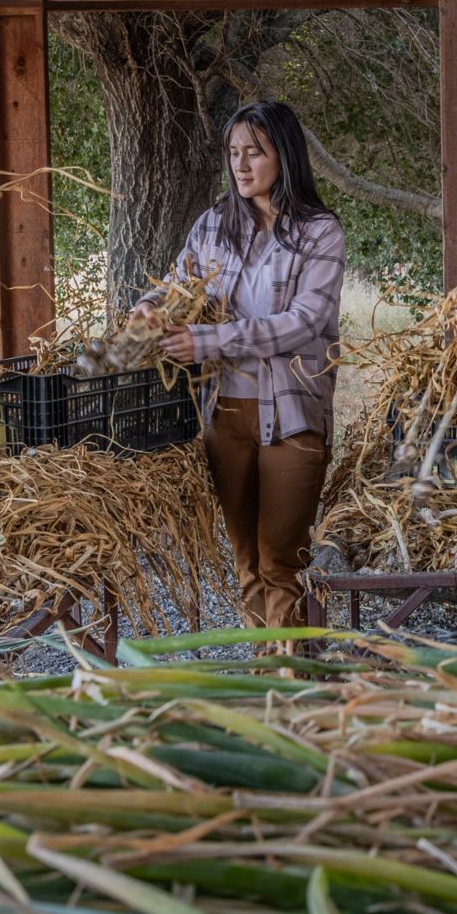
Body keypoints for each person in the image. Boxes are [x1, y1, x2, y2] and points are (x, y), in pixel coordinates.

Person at [136, 100, 343, 633]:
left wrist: (209, 340)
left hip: (292, 414)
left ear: (285, 156)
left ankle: (294, 673)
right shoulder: (213, 226)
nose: (241, 165)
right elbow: (174, 288)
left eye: (255, 152)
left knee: (281, 558)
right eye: (233, 153)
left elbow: (303, 321)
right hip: (223, 413)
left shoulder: (319, 232)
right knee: (246, 558)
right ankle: (263, 674)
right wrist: (150, 307)